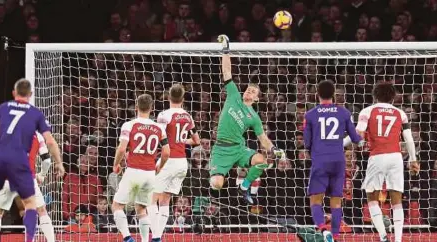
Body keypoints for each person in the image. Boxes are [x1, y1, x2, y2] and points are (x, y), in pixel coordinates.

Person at [0, 79, 64, 242]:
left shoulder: (4, 125)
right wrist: (44, 173)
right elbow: (46, 159)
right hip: (26, 176)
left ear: (14, 94)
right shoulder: (37, 132)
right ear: (31, 95)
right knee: (40, 210)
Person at [210, 35, 285, 204]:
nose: (249, 92)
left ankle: (244, 187)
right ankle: (218, 180)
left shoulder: (254, 117)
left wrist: (274, 150)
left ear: (257, 98)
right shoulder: (233, 94)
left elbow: (262, 138)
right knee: (217, 184)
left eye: (253, 92)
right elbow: (227, 72)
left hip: (238, 148)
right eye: (248, 89)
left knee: (261, 161)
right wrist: (226, 50)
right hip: (221, 149)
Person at [352, 82, 419, 242]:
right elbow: (409, 138)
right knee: (397, 199)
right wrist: (413, 159)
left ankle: (383, 236)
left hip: (377, 156)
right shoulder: (400, 113)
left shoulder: (367, 111)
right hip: (396, 157)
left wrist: (356, 143)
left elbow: (359, 137)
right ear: (393, 97)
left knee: (371, 197)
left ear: (374, 96)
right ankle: (397, 239)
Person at [303, 80, 363, 242]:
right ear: (334, 95)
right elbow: (355, 137)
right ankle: (335, 236)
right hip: (338, 160)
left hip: (320, 160)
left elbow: (306, 142)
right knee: (336, 201)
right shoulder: (344, 113)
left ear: (318, 94)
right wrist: (362, 138)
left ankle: (323, 229)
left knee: (315, 199)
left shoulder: (310, 115)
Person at [111, 94, 171, 242]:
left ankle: (127, 238)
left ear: (136, 107)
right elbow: (167, 152)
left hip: (133, 171)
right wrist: (159, 167)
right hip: (150, 173)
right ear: (151, 108)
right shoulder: (158, 128)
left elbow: (121, 149)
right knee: (141, 209)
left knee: (117, 205)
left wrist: (116, 164)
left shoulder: (129, 125)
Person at [149, 84, 200, 242]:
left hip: (169, 161)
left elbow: (160, 137)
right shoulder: (187, 116)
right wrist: (181, 140)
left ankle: (156, 236)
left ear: (168, 97)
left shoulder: (164, 115)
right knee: (165, 200)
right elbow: (197, 141)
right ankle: (158, 236)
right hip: (182, 163)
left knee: (151, 199)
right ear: (183, 99)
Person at [0, 132, 59, 242]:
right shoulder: (37, 135)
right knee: (41, 210)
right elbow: (46, 160)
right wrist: (42, 175)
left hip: (7, 179)